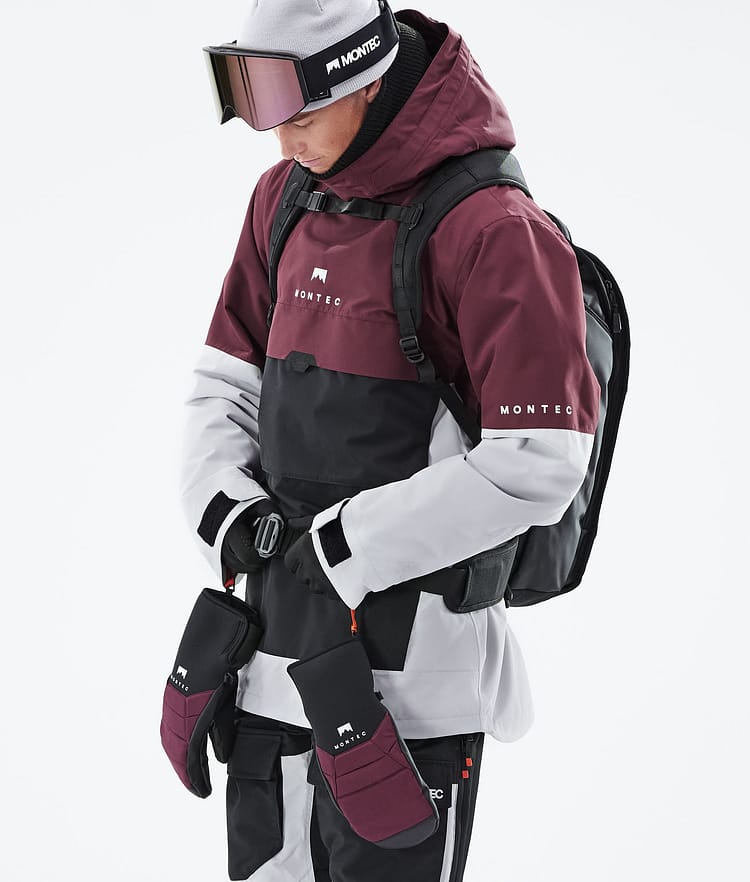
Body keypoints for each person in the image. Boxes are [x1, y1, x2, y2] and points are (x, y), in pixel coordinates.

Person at [181, 1, 600, 879]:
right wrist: (226, 509)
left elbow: (540, 460)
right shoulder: (283, 200)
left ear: (362, 75)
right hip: (266, 665)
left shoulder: (495, 230)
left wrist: (346, 545)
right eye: (260, 103)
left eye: (298, 105)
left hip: (411, 698)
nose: (280, 136)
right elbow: (226, 383)